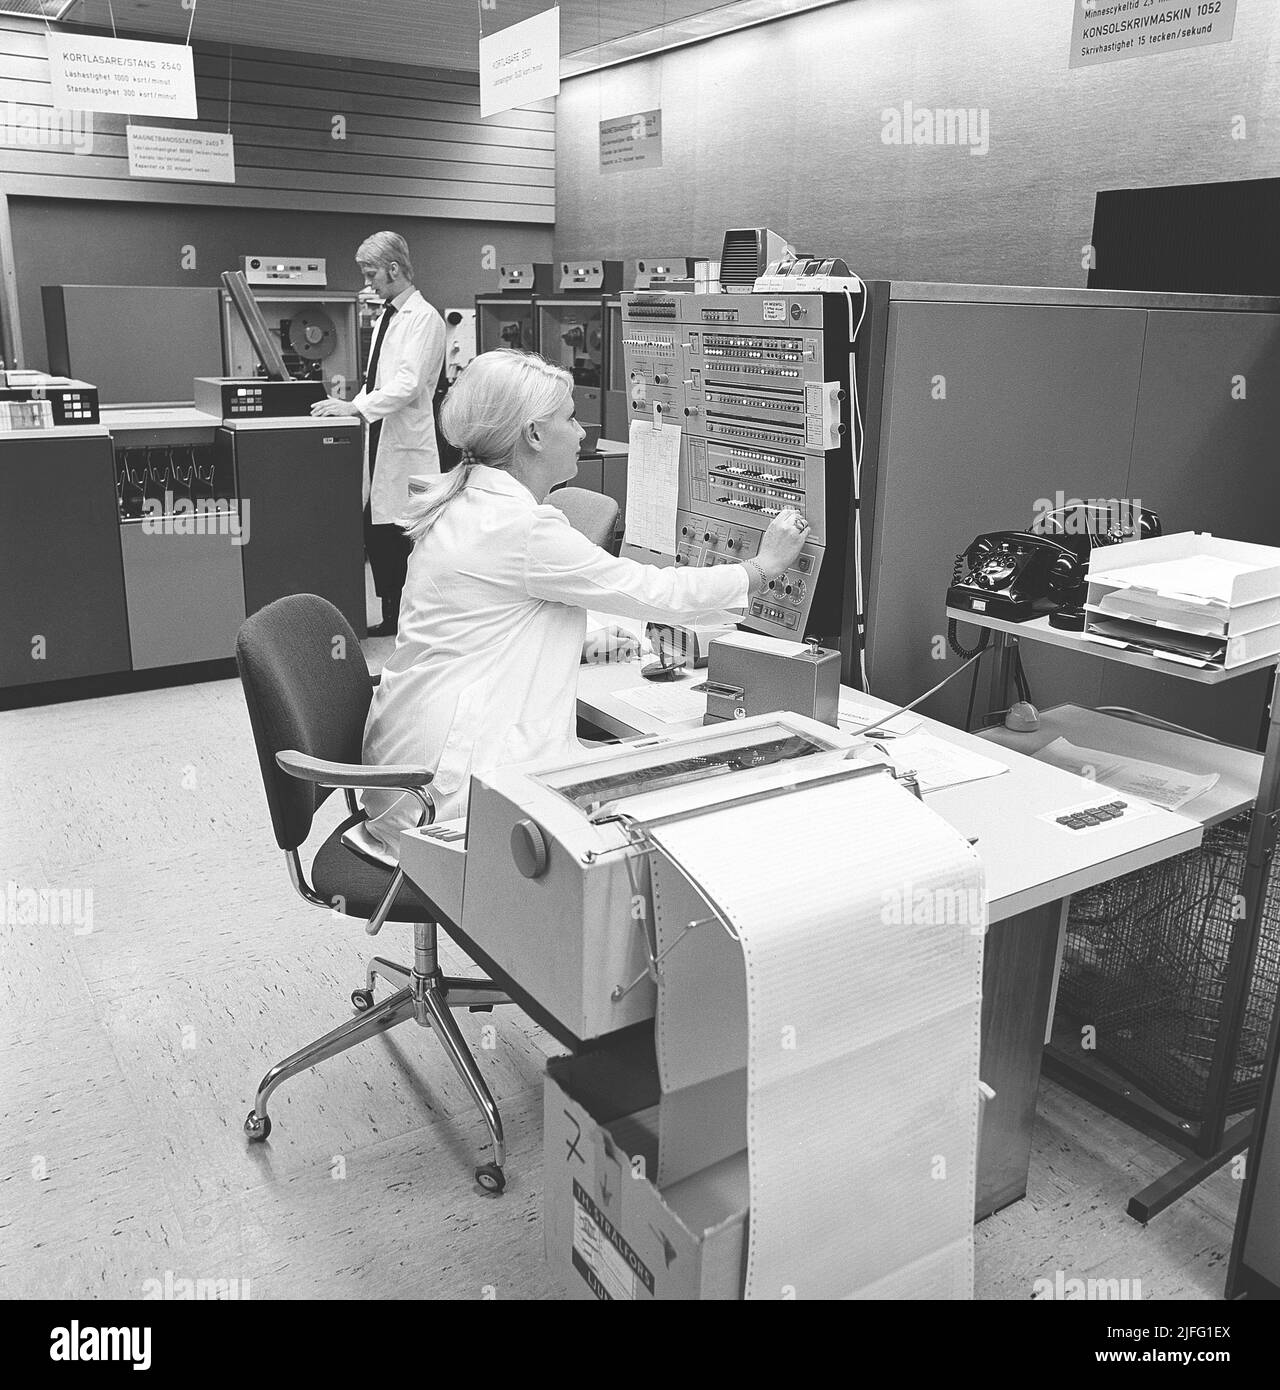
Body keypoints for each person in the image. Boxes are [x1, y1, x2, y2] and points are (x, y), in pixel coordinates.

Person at [358, 348, 811, 852]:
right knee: (683, 790)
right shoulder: (522, 527)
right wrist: (761, 569)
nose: (581, 432)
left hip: (407, 766)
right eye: (569, 418)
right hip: (451, 796)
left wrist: (596, 642)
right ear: (533, 434)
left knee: (635, 760)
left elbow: (498, 622)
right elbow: (654, 592)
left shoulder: (465, 499)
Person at [312, 231, 445, 637]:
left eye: (371, 273)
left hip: (405, 441)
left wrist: (356, 406)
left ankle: (407, 617)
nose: (368, 281)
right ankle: (391, 615)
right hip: (380, 434)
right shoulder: (389, 314)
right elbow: (377, 381)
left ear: (393, 268)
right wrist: (351, 405)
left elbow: (407, 386)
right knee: (378, 529)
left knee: (399, 535)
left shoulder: (423, 318)